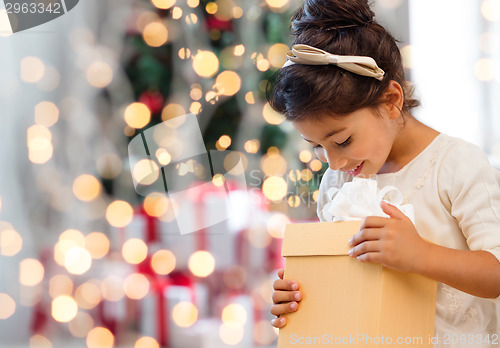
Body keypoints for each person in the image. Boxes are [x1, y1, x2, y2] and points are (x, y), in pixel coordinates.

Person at [267, 0, 500, 346]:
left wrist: (422, 255)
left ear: (391, 100)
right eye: (317, 146)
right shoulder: (339, 182)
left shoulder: (457, 165)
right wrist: (304, 290)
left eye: (342, 140)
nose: (332, 162)